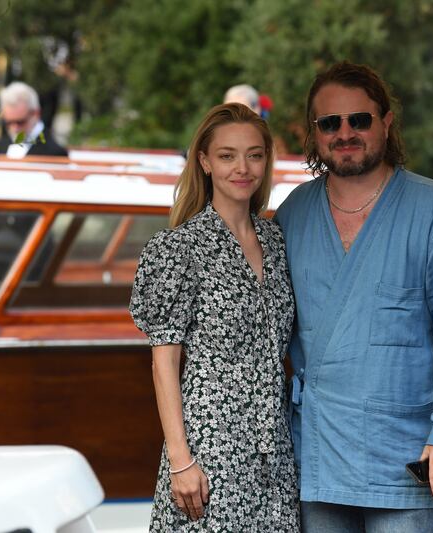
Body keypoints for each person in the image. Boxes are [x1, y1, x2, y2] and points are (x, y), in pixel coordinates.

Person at [274, 61, 433, 532]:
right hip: (317, 454)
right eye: (330, 123)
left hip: (408, 457)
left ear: (386, 122)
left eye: (360, 119)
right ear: (315, 133)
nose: (345, 132)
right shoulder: (293, 214)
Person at [129, 103, 300, 531]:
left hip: (274, 451)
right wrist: (181, 461)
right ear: (204, 162)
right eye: (227, 155)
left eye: (254, 154)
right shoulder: (178, 248)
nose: (242, 167)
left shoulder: (276, 241)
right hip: (209, 449)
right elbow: (163, 363)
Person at [0, 81, 68, 158]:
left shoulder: (56, 153)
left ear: (36, 114)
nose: (14, 128)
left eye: (20, 122)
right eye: (8, 122)